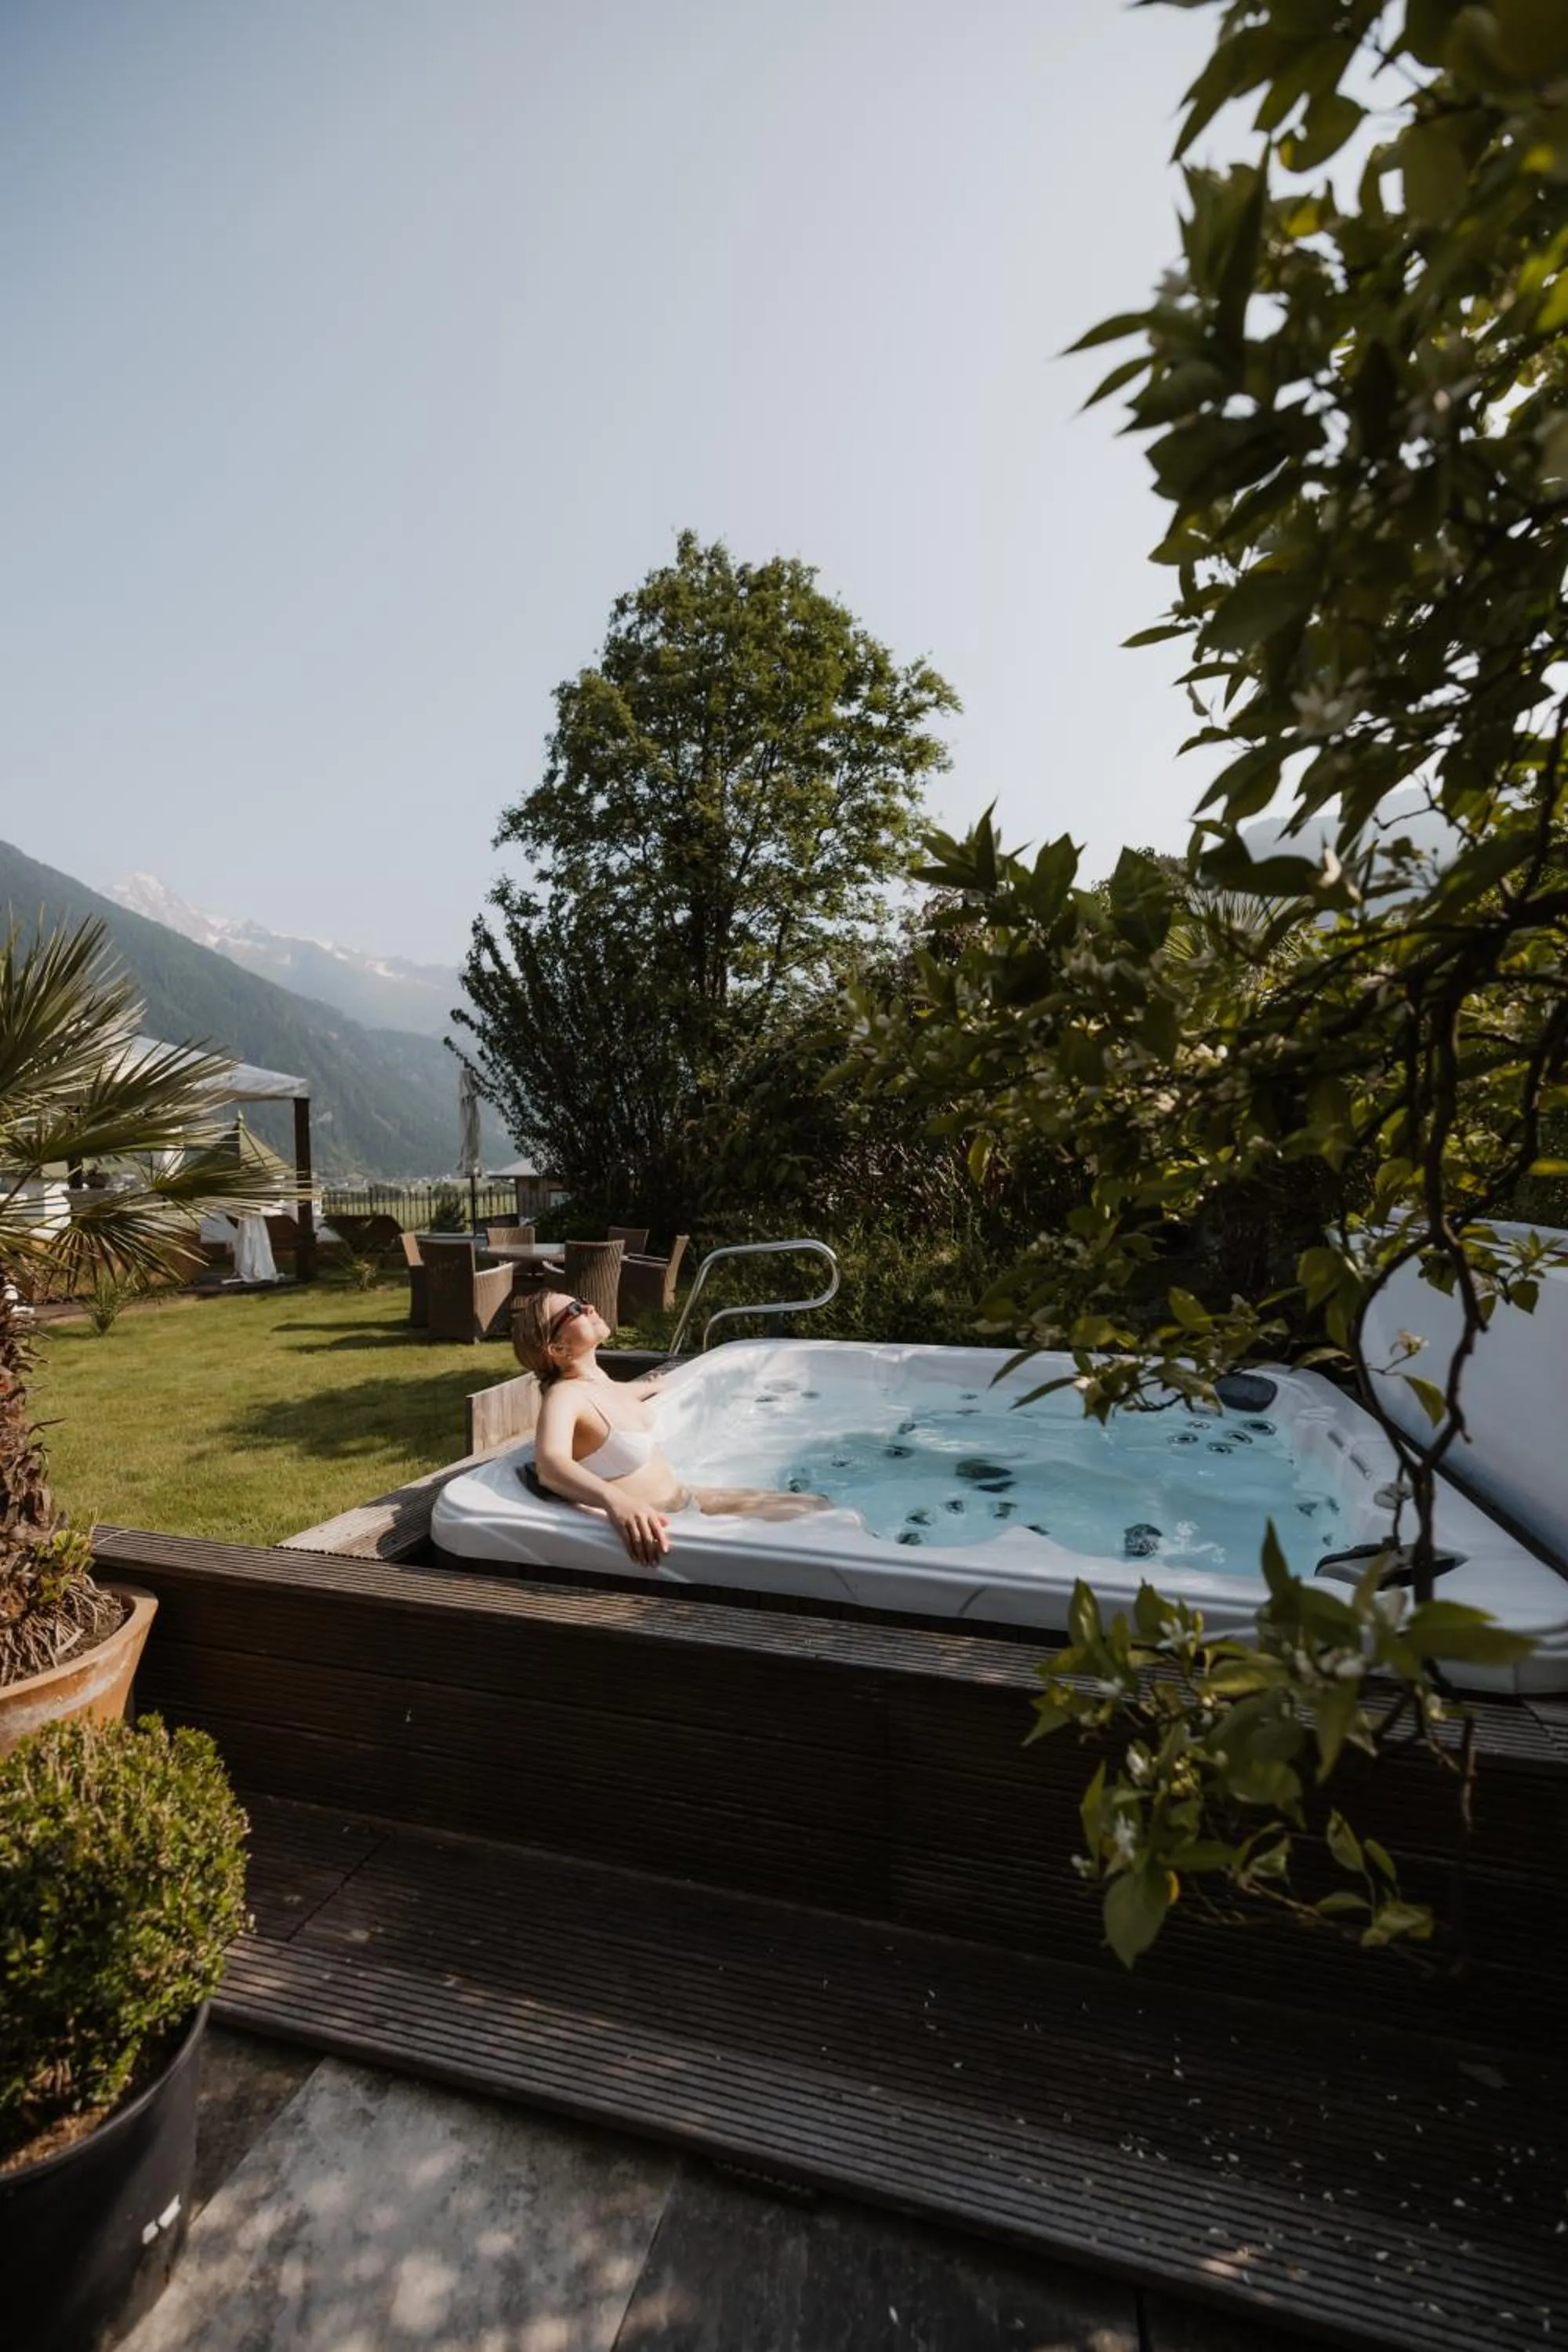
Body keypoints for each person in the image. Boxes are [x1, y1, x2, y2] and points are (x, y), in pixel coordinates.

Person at [512, 1290, 829, 1566]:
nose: (589, 1307)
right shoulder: (564, 1395)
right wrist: (616, 1502)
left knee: (818, 1509)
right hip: (668, 1522)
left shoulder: (600, 1384)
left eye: (582, 1301)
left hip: (690, 1500)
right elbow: (550, 1465)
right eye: (575, 1311)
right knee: (815, 1535)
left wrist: (653, 1386)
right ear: (556, 1348)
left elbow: (621, 1394)